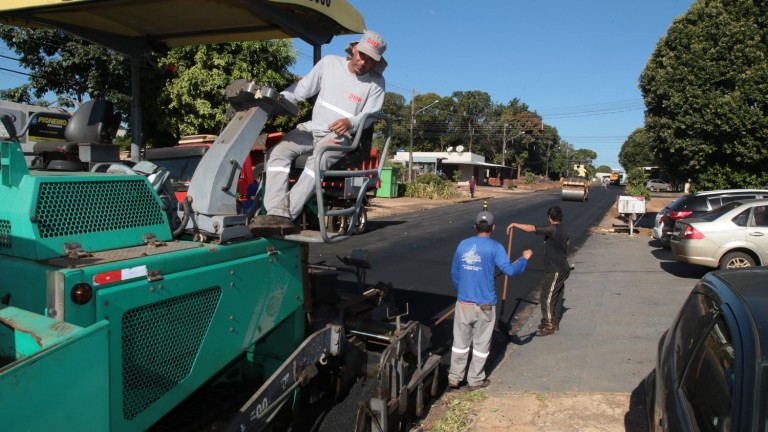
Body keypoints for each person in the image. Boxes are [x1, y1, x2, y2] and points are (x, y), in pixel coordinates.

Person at [249, 30, 387, 236]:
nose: (364, 61)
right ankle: (273, 212)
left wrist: (350, 122)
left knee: (318, 159)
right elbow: (301, 89)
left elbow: (370, 116)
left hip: (340, 137)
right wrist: (277, 100)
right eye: (362, 55)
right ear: (355, 48)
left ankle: (286, 214)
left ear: (376, 63)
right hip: (312, 129)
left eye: (370, 60)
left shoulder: (376, 84)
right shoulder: (330, 64)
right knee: (278, 153)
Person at [448, 209, 533, 390]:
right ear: (493, 228)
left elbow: (455, 273)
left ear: (475, 227)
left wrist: (464, 291)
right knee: (480, 344)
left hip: (463, 303)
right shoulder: (495, 247)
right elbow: (510, 270)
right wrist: (524, 259)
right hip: (485, 305)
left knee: (460, 344)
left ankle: (455, 377)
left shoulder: (463, 245)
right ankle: (475, 380)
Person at [507, 205, 570, 336]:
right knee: (557, 297)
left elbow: (531, 229)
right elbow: (567, 243)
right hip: (562, 267)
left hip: (556, 269)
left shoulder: (552, 229)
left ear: (549, 218)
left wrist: (515, 224)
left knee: (546, 297)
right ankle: (553, 322)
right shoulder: (563, 229)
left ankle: (548, 326)